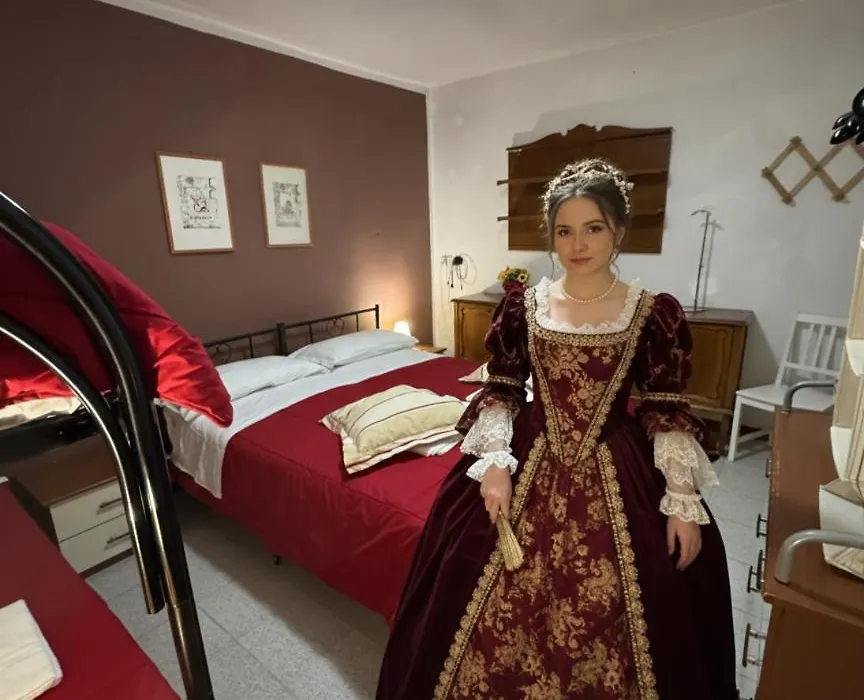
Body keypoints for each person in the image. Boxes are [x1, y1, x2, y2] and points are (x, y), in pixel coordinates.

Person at [375, 158, 739, 700]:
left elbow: (665, 409)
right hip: (530, 451)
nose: (578, 243)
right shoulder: (525, 308)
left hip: (617, 461)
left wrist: (681, 499)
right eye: (564, 231)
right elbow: (502, 388)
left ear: (618, 231)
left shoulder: (649, 313)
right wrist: (495, 464)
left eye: (593, 228)